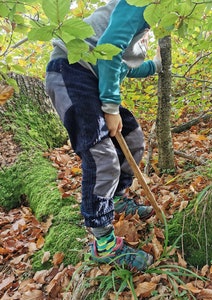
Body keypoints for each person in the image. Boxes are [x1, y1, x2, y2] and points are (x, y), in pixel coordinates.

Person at [45, 0, 161, 272]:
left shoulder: (145, 28)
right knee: (101, 156)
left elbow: (125, 67)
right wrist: (110, 107)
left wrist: (156, 64)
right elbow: (108, 50)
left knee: (131, 138)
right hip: (70, 69)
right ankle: (103, 243)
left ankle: (118, 196)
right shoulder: (139, 4)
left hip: (92, 79)